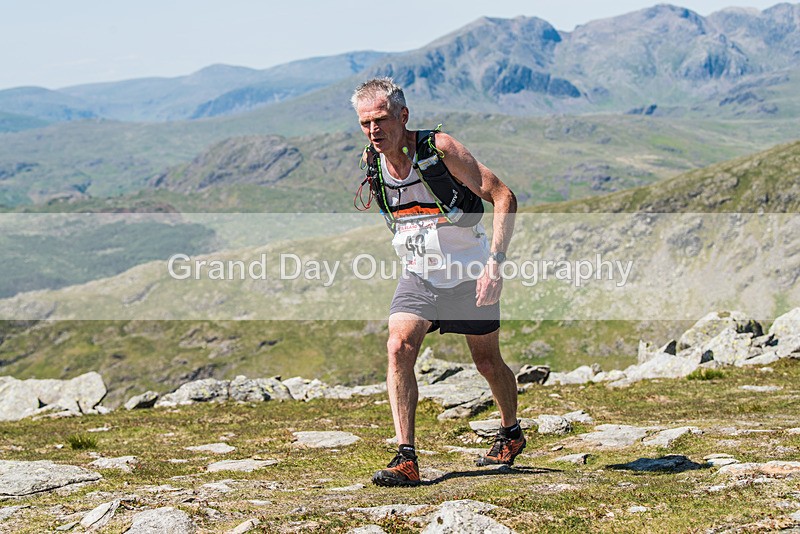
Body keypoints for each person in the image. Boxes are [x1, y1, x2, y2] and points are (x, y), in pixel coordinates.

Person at [351, 77, 522, 488]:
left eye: (382, 120)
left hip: (469, 274)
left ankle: (511, 431)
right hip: (419, 276)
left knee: (486, 363)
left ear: (403, 116)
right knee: (398, 346)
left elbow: (503, 196)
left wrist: (494, 264)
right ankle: (405, 456)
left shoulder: (437, 149)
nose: (374, 131)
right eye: (365, 123)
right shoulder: (371, 161)